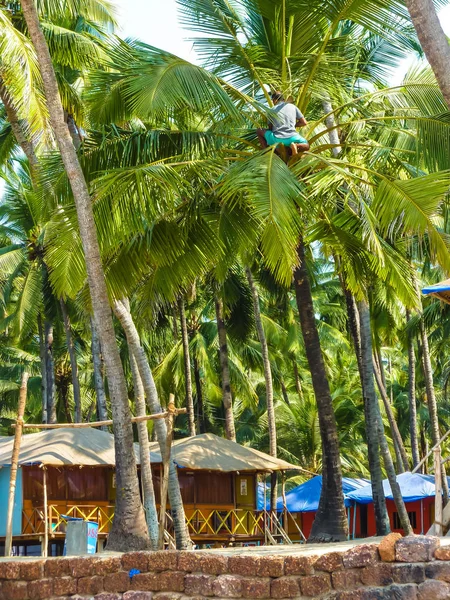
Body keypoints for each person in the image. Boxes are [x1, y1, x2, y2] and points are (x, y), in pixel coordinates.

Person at [257, 91, 309, 155]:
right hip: (293, 137)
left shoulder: (271, 110)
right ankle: (296, 146)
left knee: (259, 131)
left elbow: (270, 128)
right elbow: (304, 123)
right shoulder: (293, 107)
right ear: (283, 99)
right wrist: (292, 125)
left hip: (278, 140)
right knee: (306, 145)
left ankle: (265, 152)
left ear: (274, 100)